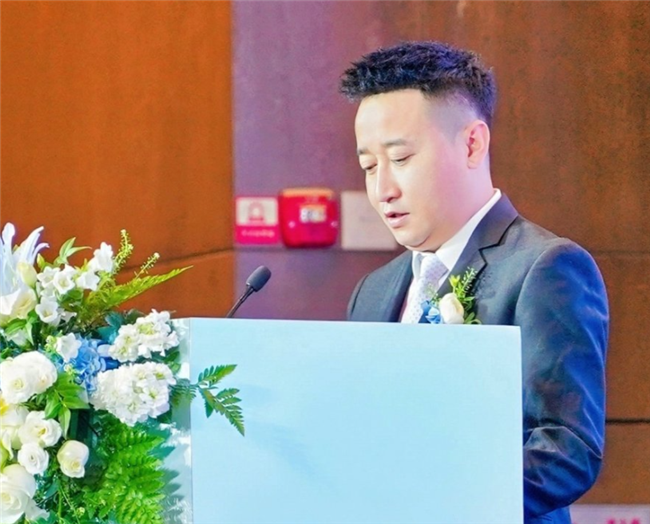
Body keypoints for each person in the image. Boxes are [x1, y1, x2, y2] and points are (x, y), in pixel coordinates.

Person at [341, 41, 608, 524]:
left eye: (400, 158)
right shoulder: (373, 291)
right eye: (369, 167)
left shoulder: (544, 267)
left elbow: (567, 448)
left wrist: (433, 506)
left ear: (472, 144)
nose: (382, 190)